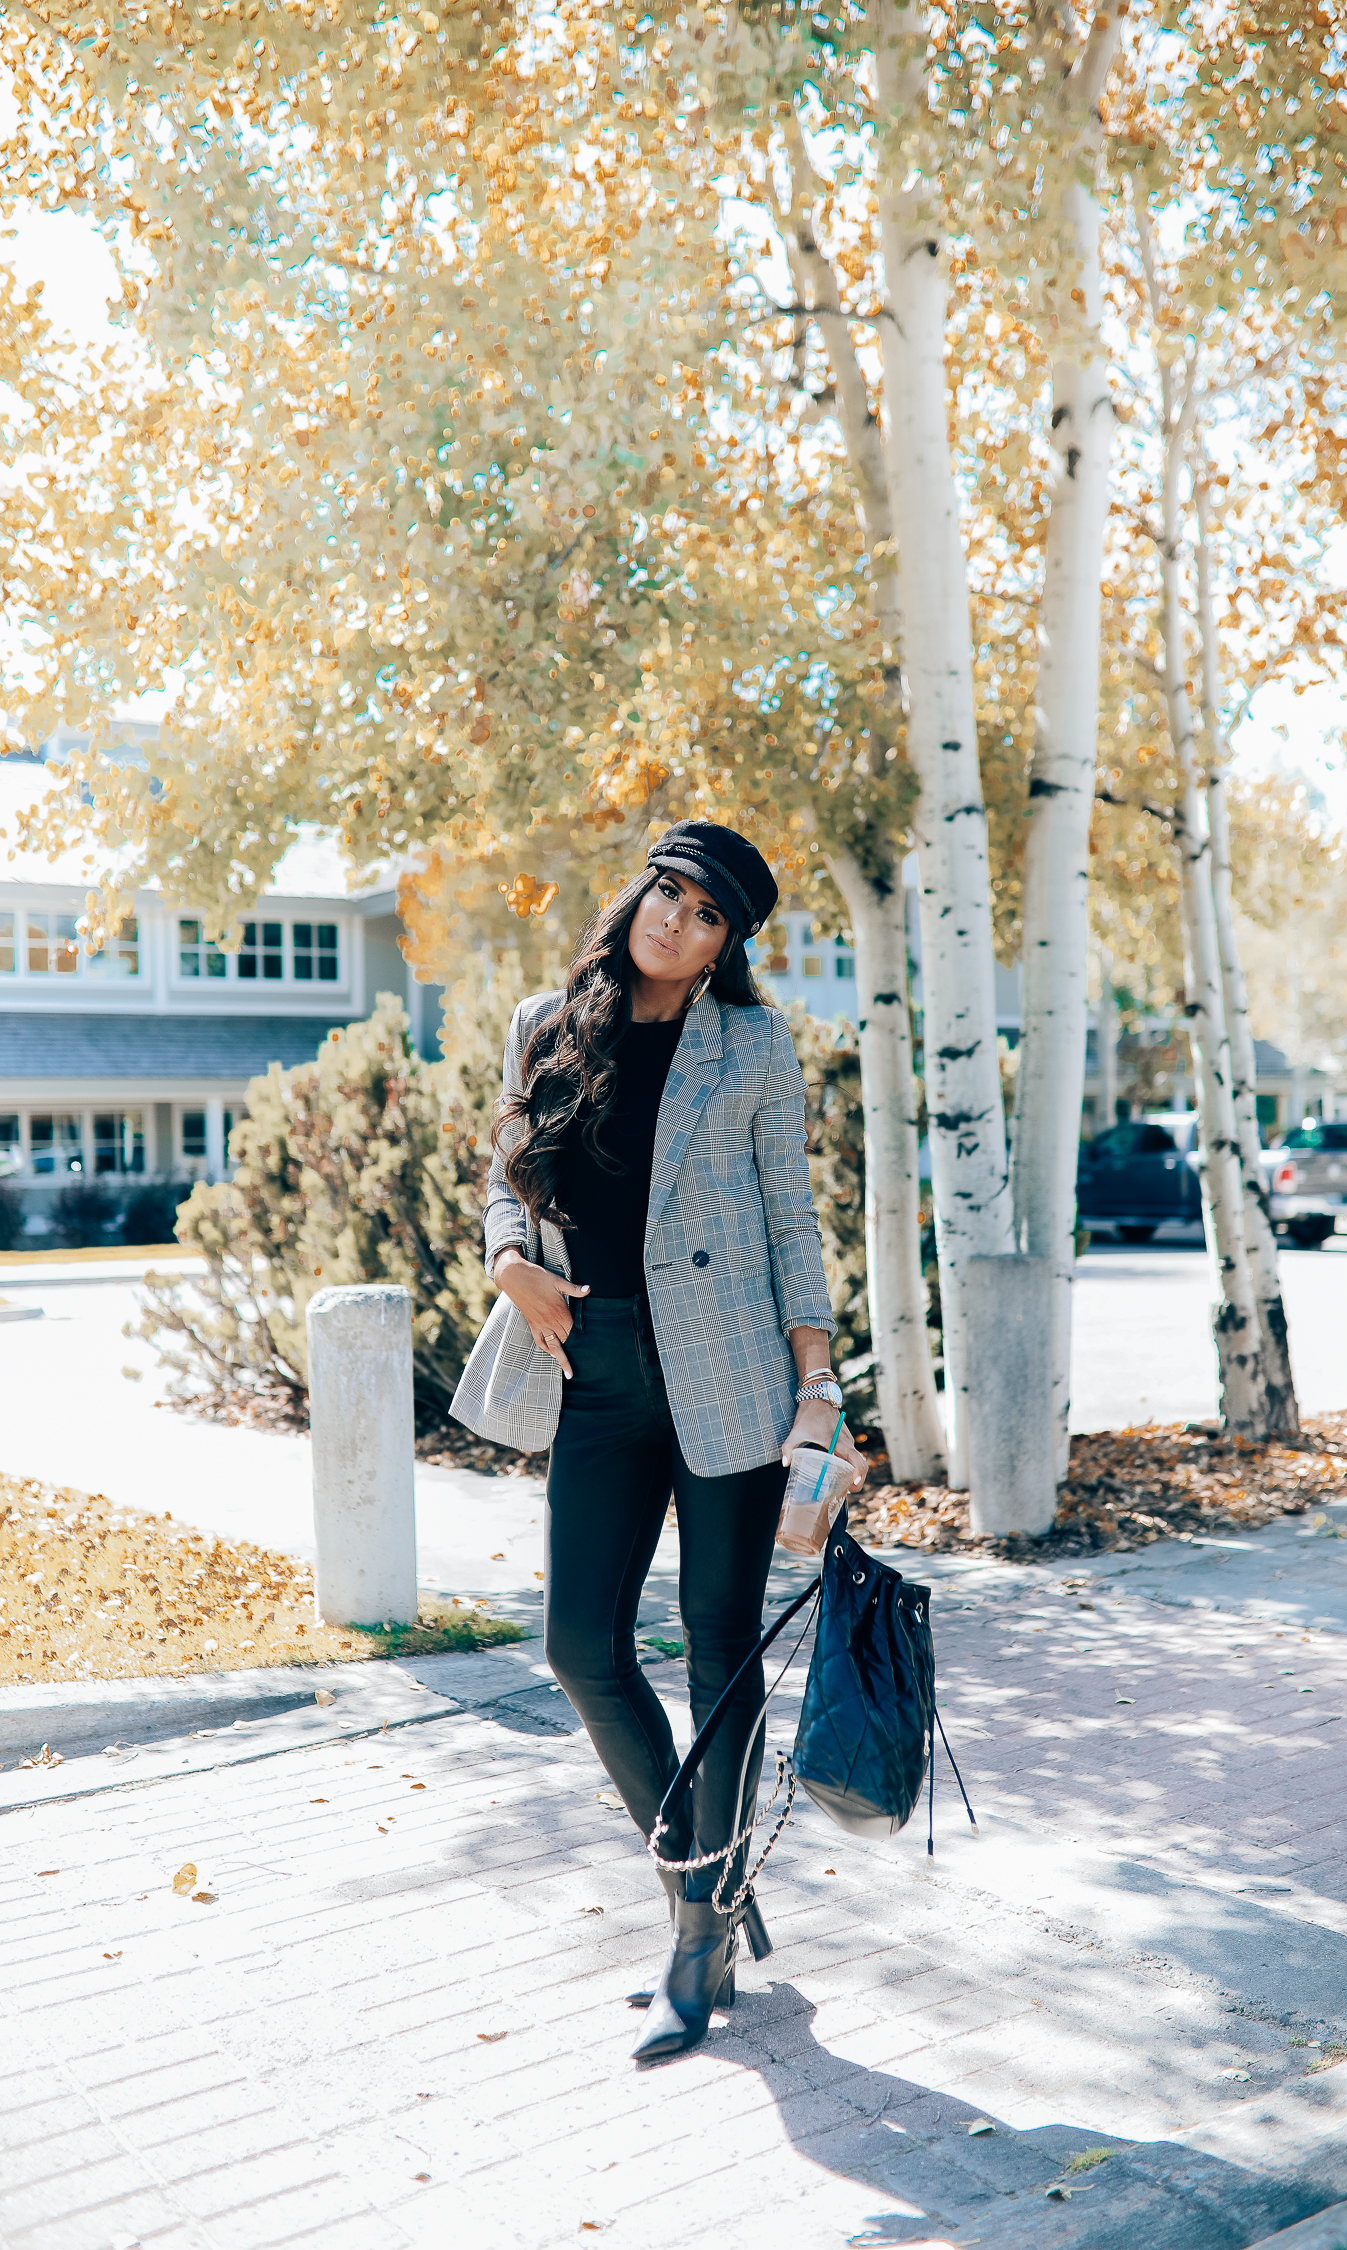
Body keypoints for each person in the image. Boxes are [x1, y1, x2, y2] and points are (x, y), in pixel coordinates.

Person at [451, 819, 864, 2067]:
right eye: (667, 894)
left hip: (733, 1378)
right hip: (596, 1373)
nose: (674, 923)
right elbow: (502, 1175)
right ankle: (712, 1885)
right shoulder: (547, 1021)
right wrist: (509, 1262)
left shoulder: (751, 1042)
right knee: (581, 1646)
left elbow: (793, 1216)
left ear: (728, 944)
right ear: (641, 892)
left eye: (705, 916)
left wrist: (819, 1381)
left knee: (722, 1656)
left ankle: (695, 1936)